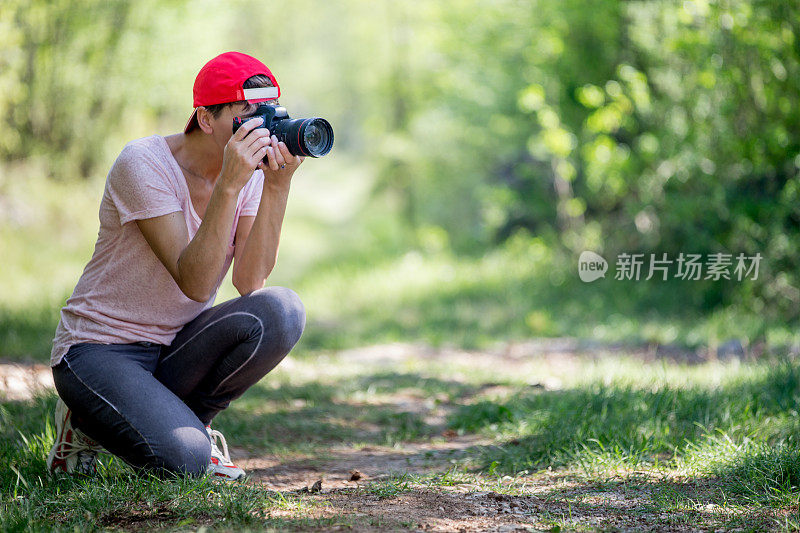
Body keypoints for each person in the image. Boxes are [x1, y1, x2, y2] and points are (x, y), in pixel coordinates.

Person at [46, 51, 306, 480]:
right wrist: (228, 184)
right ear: (206, 119)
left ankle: (192, 423)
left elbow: (249, 281)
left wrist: (277, 187)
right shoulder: (144, 163)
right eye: (248, 114)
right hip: (99, 350)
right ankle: (85, 420)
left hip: (176, 348)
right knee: (186, 462)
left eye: (270, 111)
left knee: (282, 310)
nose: (264, 126)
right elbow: (196, 283)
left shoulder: (251, 175)